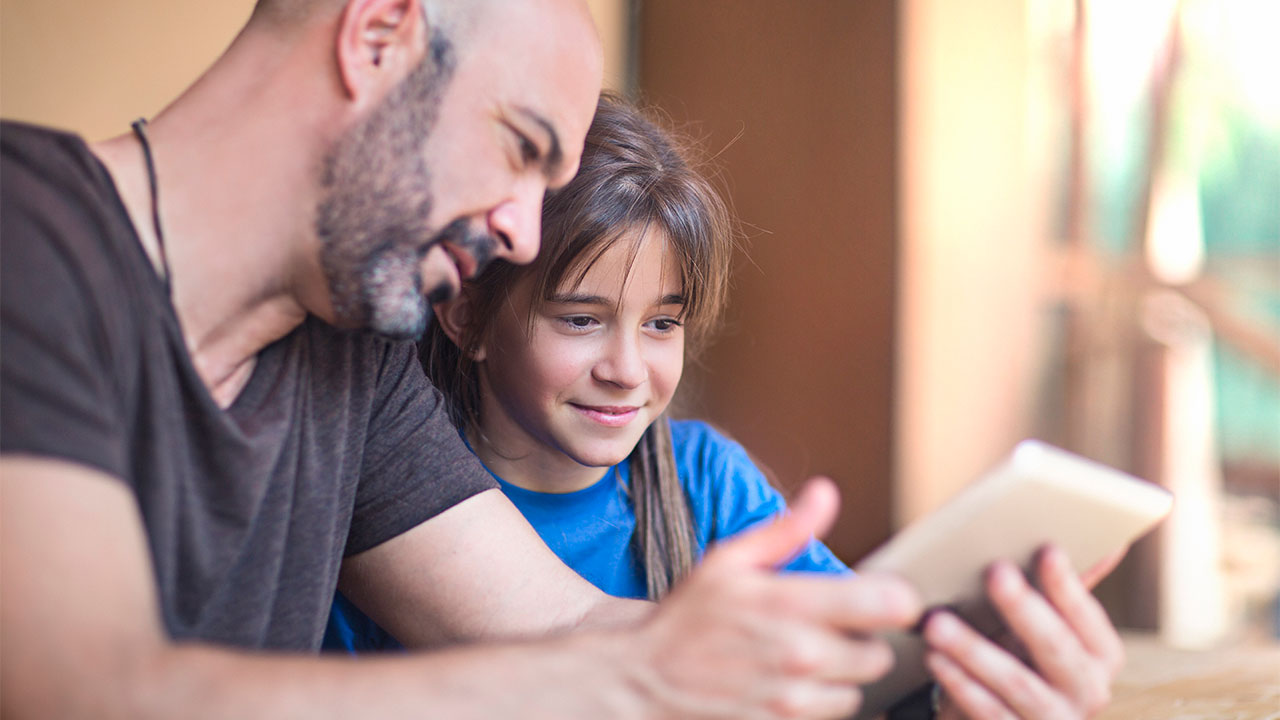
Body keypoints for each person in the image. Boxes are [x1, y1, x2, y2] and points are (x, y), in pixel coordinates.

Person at [0, 1, 1122, 718]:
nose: (521, 233)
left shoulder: (353, 358)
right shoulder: (26, 231)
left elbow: (565, 624)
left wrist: (935, 660)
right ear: (377, 37)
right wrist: (632, 672)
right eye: (521, 148)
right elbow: (85, 691)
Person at [326, 92, 851, 652]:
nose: (627, 371)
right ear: (468, 319)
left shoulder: (706, 481)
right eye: (580, 320)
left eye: (662, 324)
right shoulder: (384, 504)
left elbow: (859, 645)